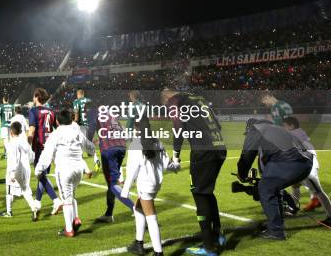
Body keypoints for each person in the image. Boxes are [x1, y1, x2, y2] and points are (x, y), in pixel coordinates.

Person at [161, 88, 227, 256]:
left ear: (166, 97)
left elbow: (178, 127)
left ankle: (208, 246)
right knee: (207, 192)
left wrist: (175, 156)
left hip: (203, 152)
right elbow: (217, 124)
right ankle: (218, 233)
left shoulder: (175, 101)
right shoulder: (199, 98)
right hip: (219, 147)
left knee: (198, 193)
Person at [237, 118, 313, 240]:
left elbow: (247, 154)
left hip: (290, 162)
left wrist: (242, 174)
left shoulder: (256, 129)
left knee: (266, 188)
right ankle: (276, 225)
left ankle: (276, 231)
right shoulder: (277, 129)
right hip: (306, 163)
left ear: (250, 127)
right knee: (273, 188)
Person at [122, 117, 180, 256]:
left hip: (145, 185)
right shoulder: (157, 141)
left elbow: (132, 171)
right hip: (155, 184)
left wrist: (125, 190)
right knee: (137, 208)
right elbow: (167, 164)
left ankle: (158, 252)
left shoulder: (136, 144)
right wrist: (176, 165)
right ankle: (138, 242)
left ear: (136, 128)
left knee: (151, 217)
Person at [35, 109, 95, 237]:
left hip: (64, 169)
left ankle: (69, 230)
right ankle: (75, 219)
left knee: (66, 199)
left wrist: (38, 169)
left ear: (57, 121)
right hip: (78, 169)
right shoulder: (76, 131)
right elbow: (89, 146)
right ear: (71, 119)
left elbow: (47, 154)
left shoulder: (56, 134)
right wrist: (94, 153)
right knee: (71, 195)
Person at [283, 117, 331, 225]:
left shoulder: (293, 135)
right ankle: (293, 208)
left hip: (307, 166)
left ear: (292, 126)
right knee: (295, 185)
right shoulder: (299, 132)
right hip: (306, 163)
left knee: (318, 192)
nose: (284, 128)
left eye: (285, 125)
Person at [87, 102, 134, 223]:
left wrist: (89, 143)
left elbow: (90, 131)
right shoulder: (111, 114)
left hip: (109, 149)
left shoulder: (93, 112)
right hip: (122, 147)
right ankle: (109, 214)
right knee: (111, 183)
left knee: (113, 184)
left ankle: (136, 208)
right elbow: (124, 131)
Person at [28, 87, 62, 216]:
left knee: (40, 175)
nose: (32, 98)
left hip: (40, 147)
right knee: (42, 177)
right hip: (51, 147)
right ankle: (37, 202)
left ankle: (56, 200)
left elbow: (31, 131)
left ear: (37, 97)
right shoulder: (51, 111)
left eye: (33, 96)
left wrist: (26, 147)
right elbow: (58, 128)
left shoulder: (33, 111)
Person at [0, 121, 40, 220]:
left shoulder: (13, 143)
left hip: (16, 169)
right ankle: (34, 207)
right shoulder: (24, 141)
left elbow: (15, 159)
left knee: (9, 189)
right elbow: (32, 156)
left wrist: (13, 173)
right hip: (27, 169)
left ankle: (9, 212)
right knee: (25, 190)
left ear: (11, 132)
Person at [73, 89, 99, 171]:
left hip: (82, 126)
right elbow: (95, 112)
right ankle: (95, 159)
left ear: (78, 94)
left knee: (78, 146)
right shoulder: (89, 101)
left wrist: (73, 122)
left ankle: (84, 169)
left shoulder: (76, 101)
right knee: (88, 144)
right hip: (92, 125)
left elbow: (76, 114)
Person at [0, 95, 15, 159]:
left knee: (5, 140)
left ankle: (8, 154)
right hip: (10, 125)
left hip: (4, 125)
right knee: (10, 140)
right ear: (8, 100)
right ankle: (7, 153)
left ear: (3, 100)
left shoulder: (1, 106)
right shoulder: (12, 106)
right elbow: (13, 115)